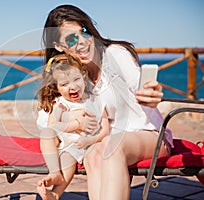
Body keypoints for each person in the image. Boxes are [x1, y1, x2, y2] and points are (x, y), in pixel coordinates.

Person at [36, 4, 173, 200]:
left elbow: (141, 86)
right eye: (72, 39)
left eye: (84, 32)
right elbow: (44, 119)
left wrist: (152, 94)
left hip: (149, 135)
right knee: (93, 154)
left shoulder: (115, 54)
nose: (82, 42)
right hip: (105, 140)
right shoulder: (71, 75)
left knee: (109, 146)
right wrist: (72, 118)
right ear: (59, 46)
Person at [36, 53, 109, 199]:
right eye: (64, 84)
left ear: (83, 76)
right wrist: (77, 124)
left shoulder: (96, 100)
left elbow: (105, 129)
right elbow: (53, 125)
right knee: (48, 135)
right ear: (56, 88)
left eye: (76, 80)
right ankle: (55, 175)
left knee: (72, 155)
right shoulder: (60, 103)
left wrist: (90, 140)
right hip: (66, 142)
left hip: (87, 144)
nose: (73, 87)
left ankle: (56, 193)